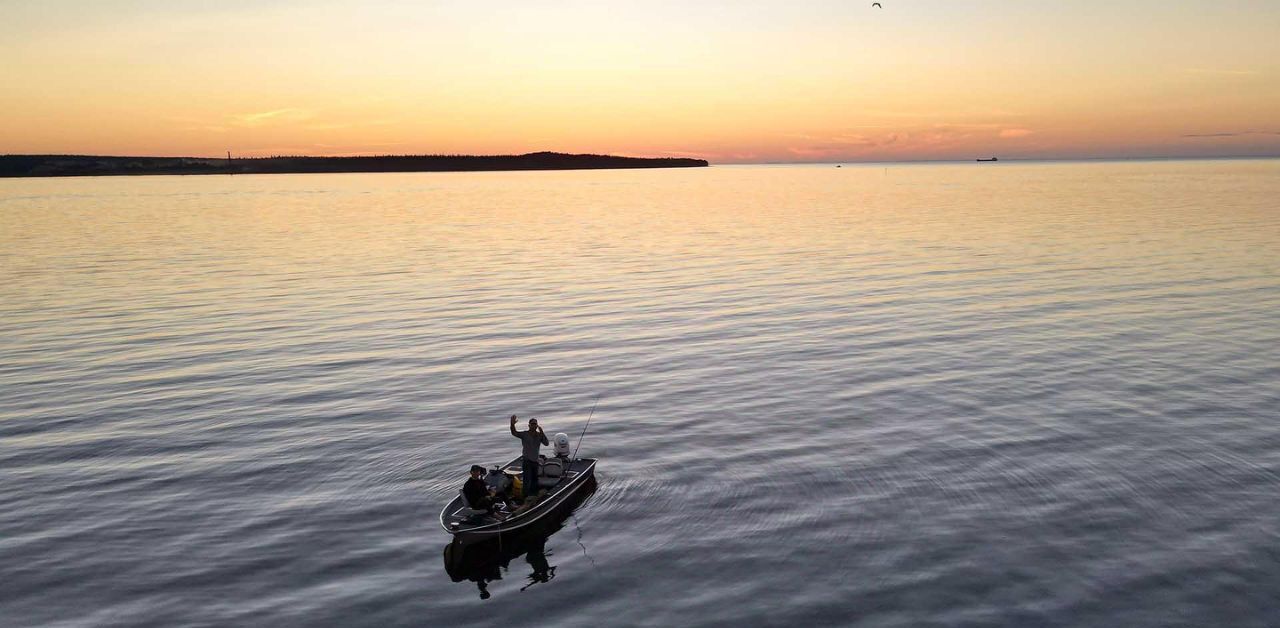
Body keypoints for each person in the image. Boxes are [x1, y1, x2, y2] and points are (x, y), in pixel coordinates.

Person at [510, 414, 548, 501]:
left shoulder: (539, 435)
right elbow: (514, 433)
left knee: (535, 479)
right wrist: (512, 425)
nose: (533, 426)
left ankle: (534, 495)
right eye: (532, 424)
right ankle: (525, 497)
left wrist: (542, 432)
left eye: (535, 424)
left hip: (535, 461)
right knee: (527, 480)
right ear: (529, 425)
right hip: (527, 461)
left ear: (537, 425)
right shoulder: (524, 434)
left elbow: (546, 443)